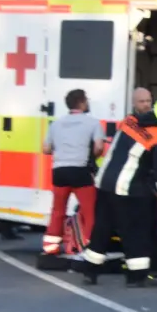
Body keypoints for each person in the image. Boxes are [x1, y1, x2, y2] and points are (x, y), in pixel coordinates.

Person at [81, 96, 157, 288]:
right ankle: (137, 276)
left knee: (102, 229)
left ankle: (90, 271)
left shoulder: (130, 121)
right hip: (128, 189)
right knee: (135, 232)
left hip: (105, 183)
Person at [39, 89, 106, 263]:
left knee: (58, 210)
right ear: (82, 102)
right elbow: (99, 147)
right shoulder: (93, 123)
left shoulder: (56, 124)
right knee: (90, 210)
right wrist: (91, 156)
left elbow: (46, 149)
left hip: (60, 171)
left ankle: (50, 247)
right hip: (80, 171)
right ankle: (90, 246)